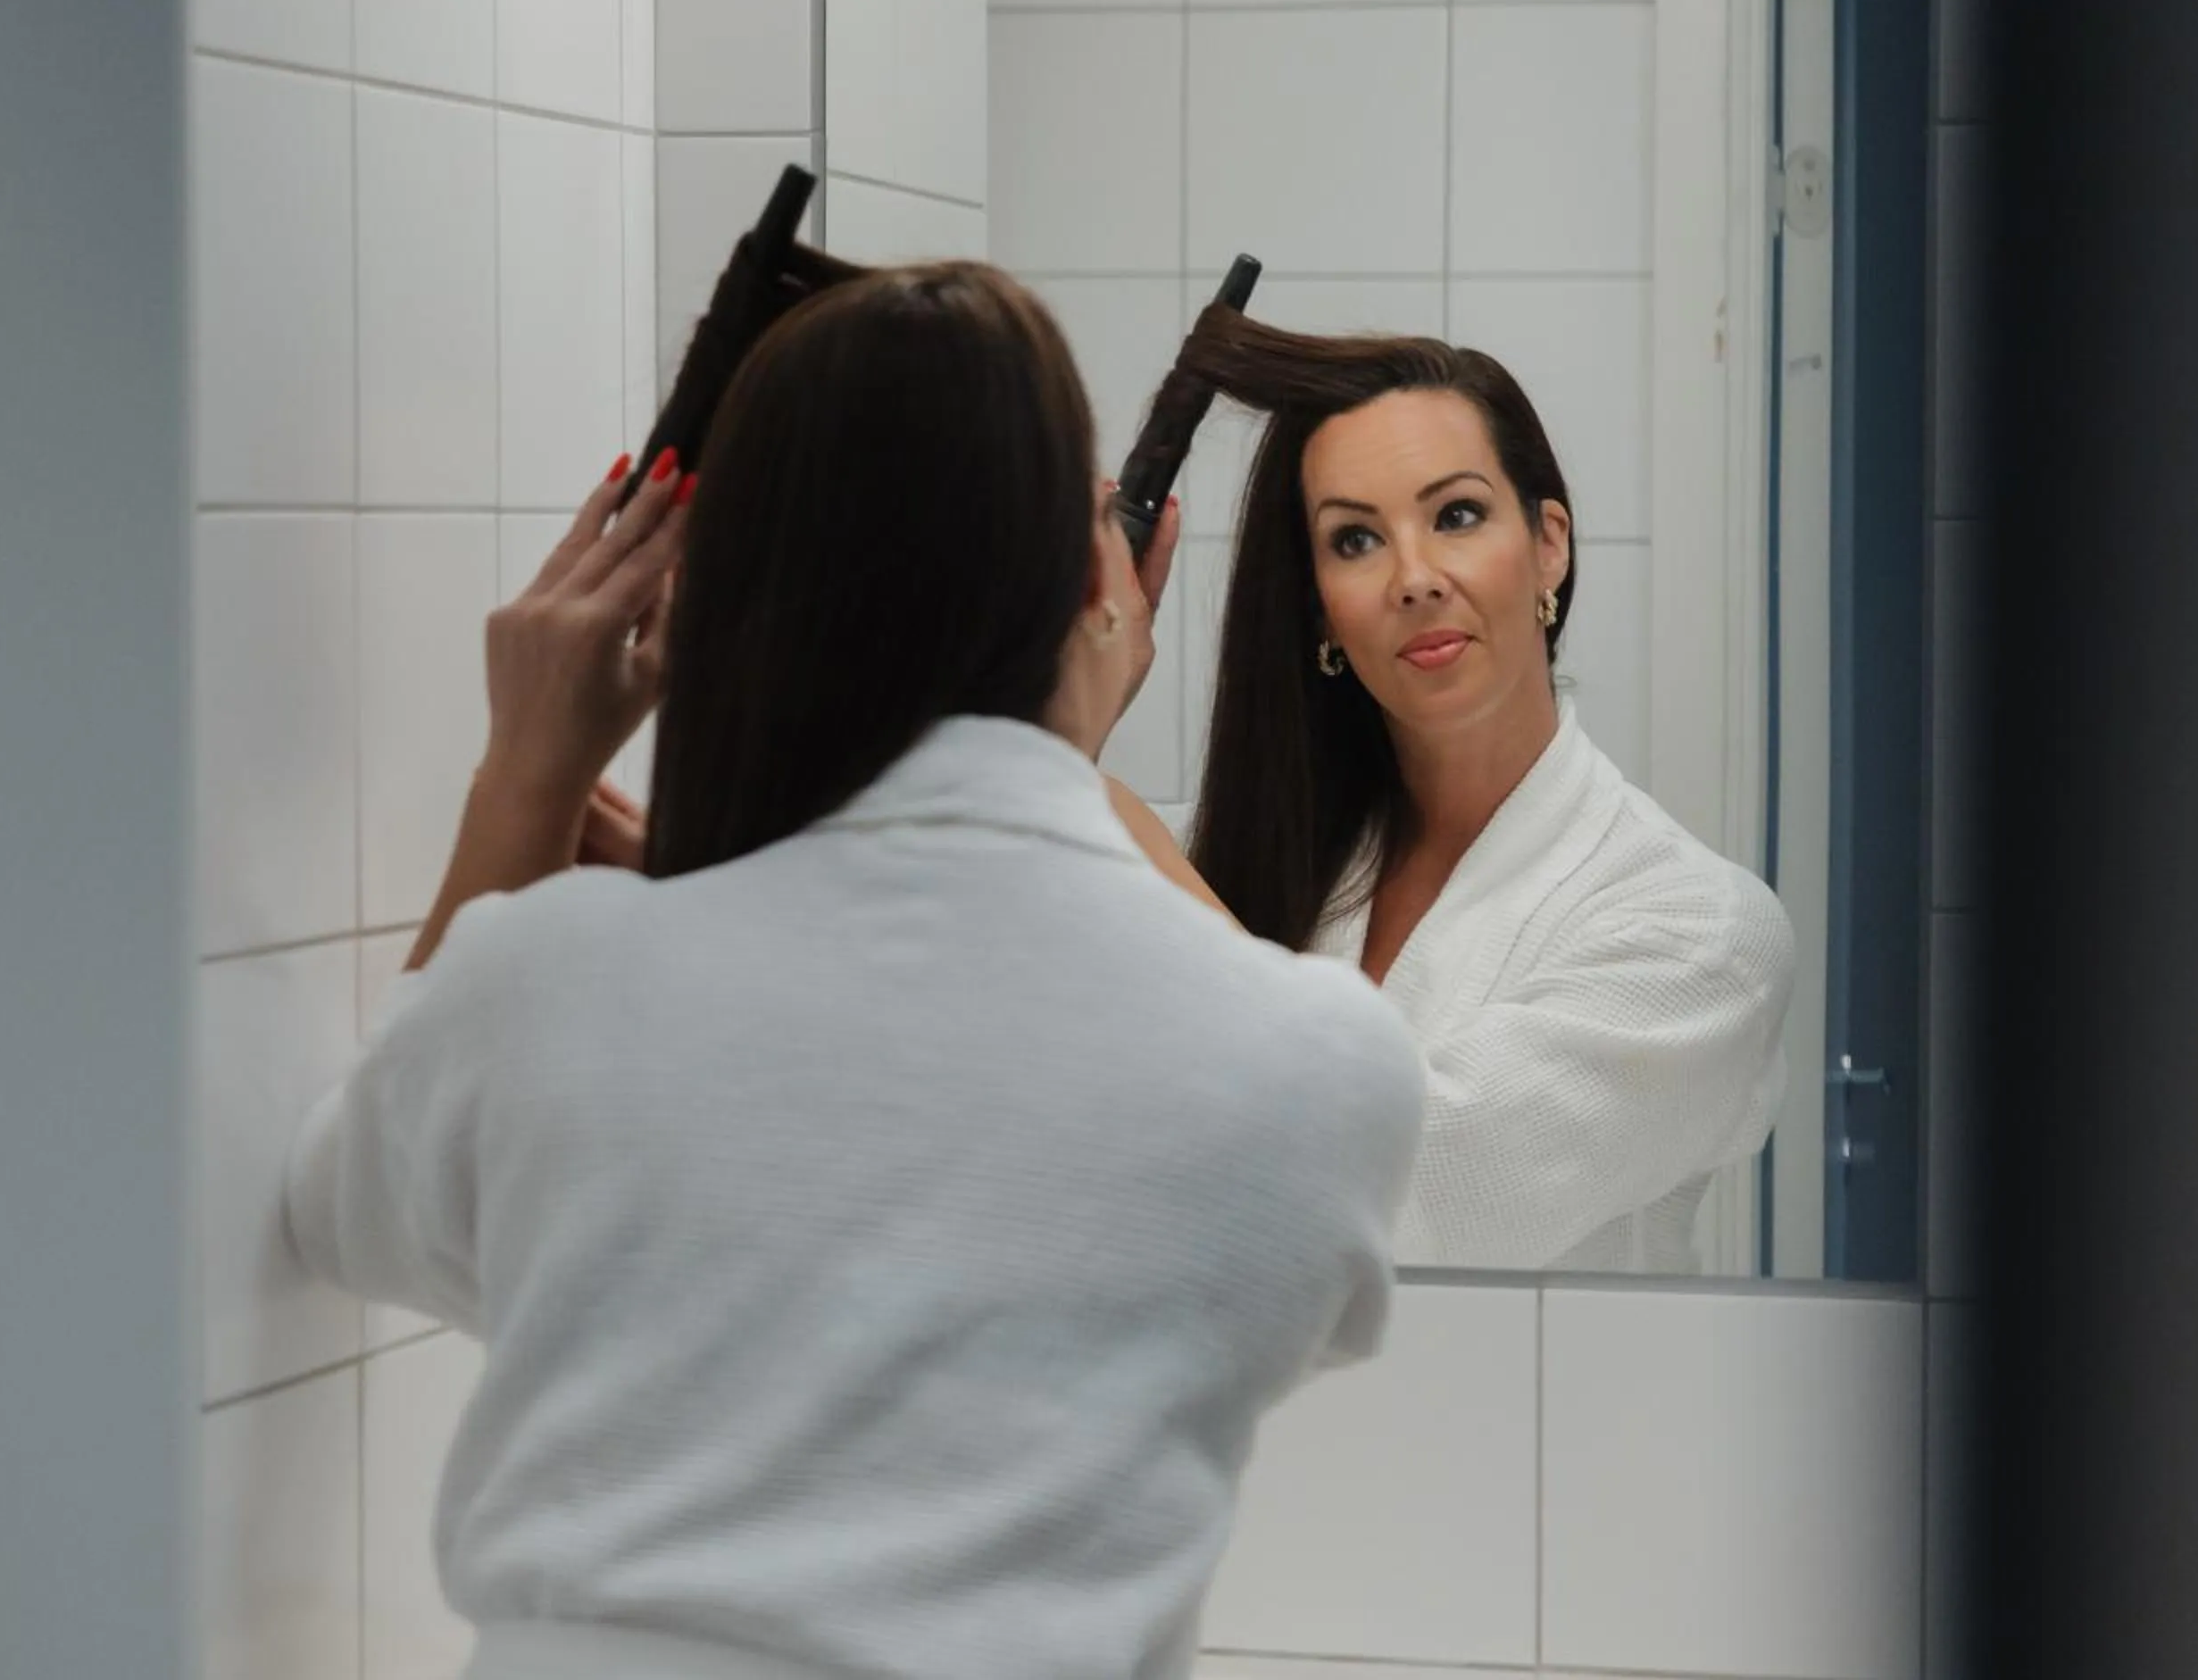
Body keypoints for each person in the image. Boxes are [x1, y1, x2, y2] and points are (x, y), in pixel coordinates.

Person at [279, 262, 1427, 1680]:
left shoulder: (554, 989)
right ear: (1096, 583)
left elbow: (351, 1211)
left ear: (718, 602)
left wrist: (528, 780)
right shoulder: (1315, 1071)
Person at [1102, 306, 1794, 1275]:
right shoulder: (1218, 858)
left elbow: (1399, 1191)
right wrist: (1071, 702)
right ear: (1320, 610)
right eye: (1354, 540)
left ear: (1549, 542)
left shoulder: (1700, 936)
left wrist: (1070, 770)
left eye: (1456, 515)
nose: (1415, 577)